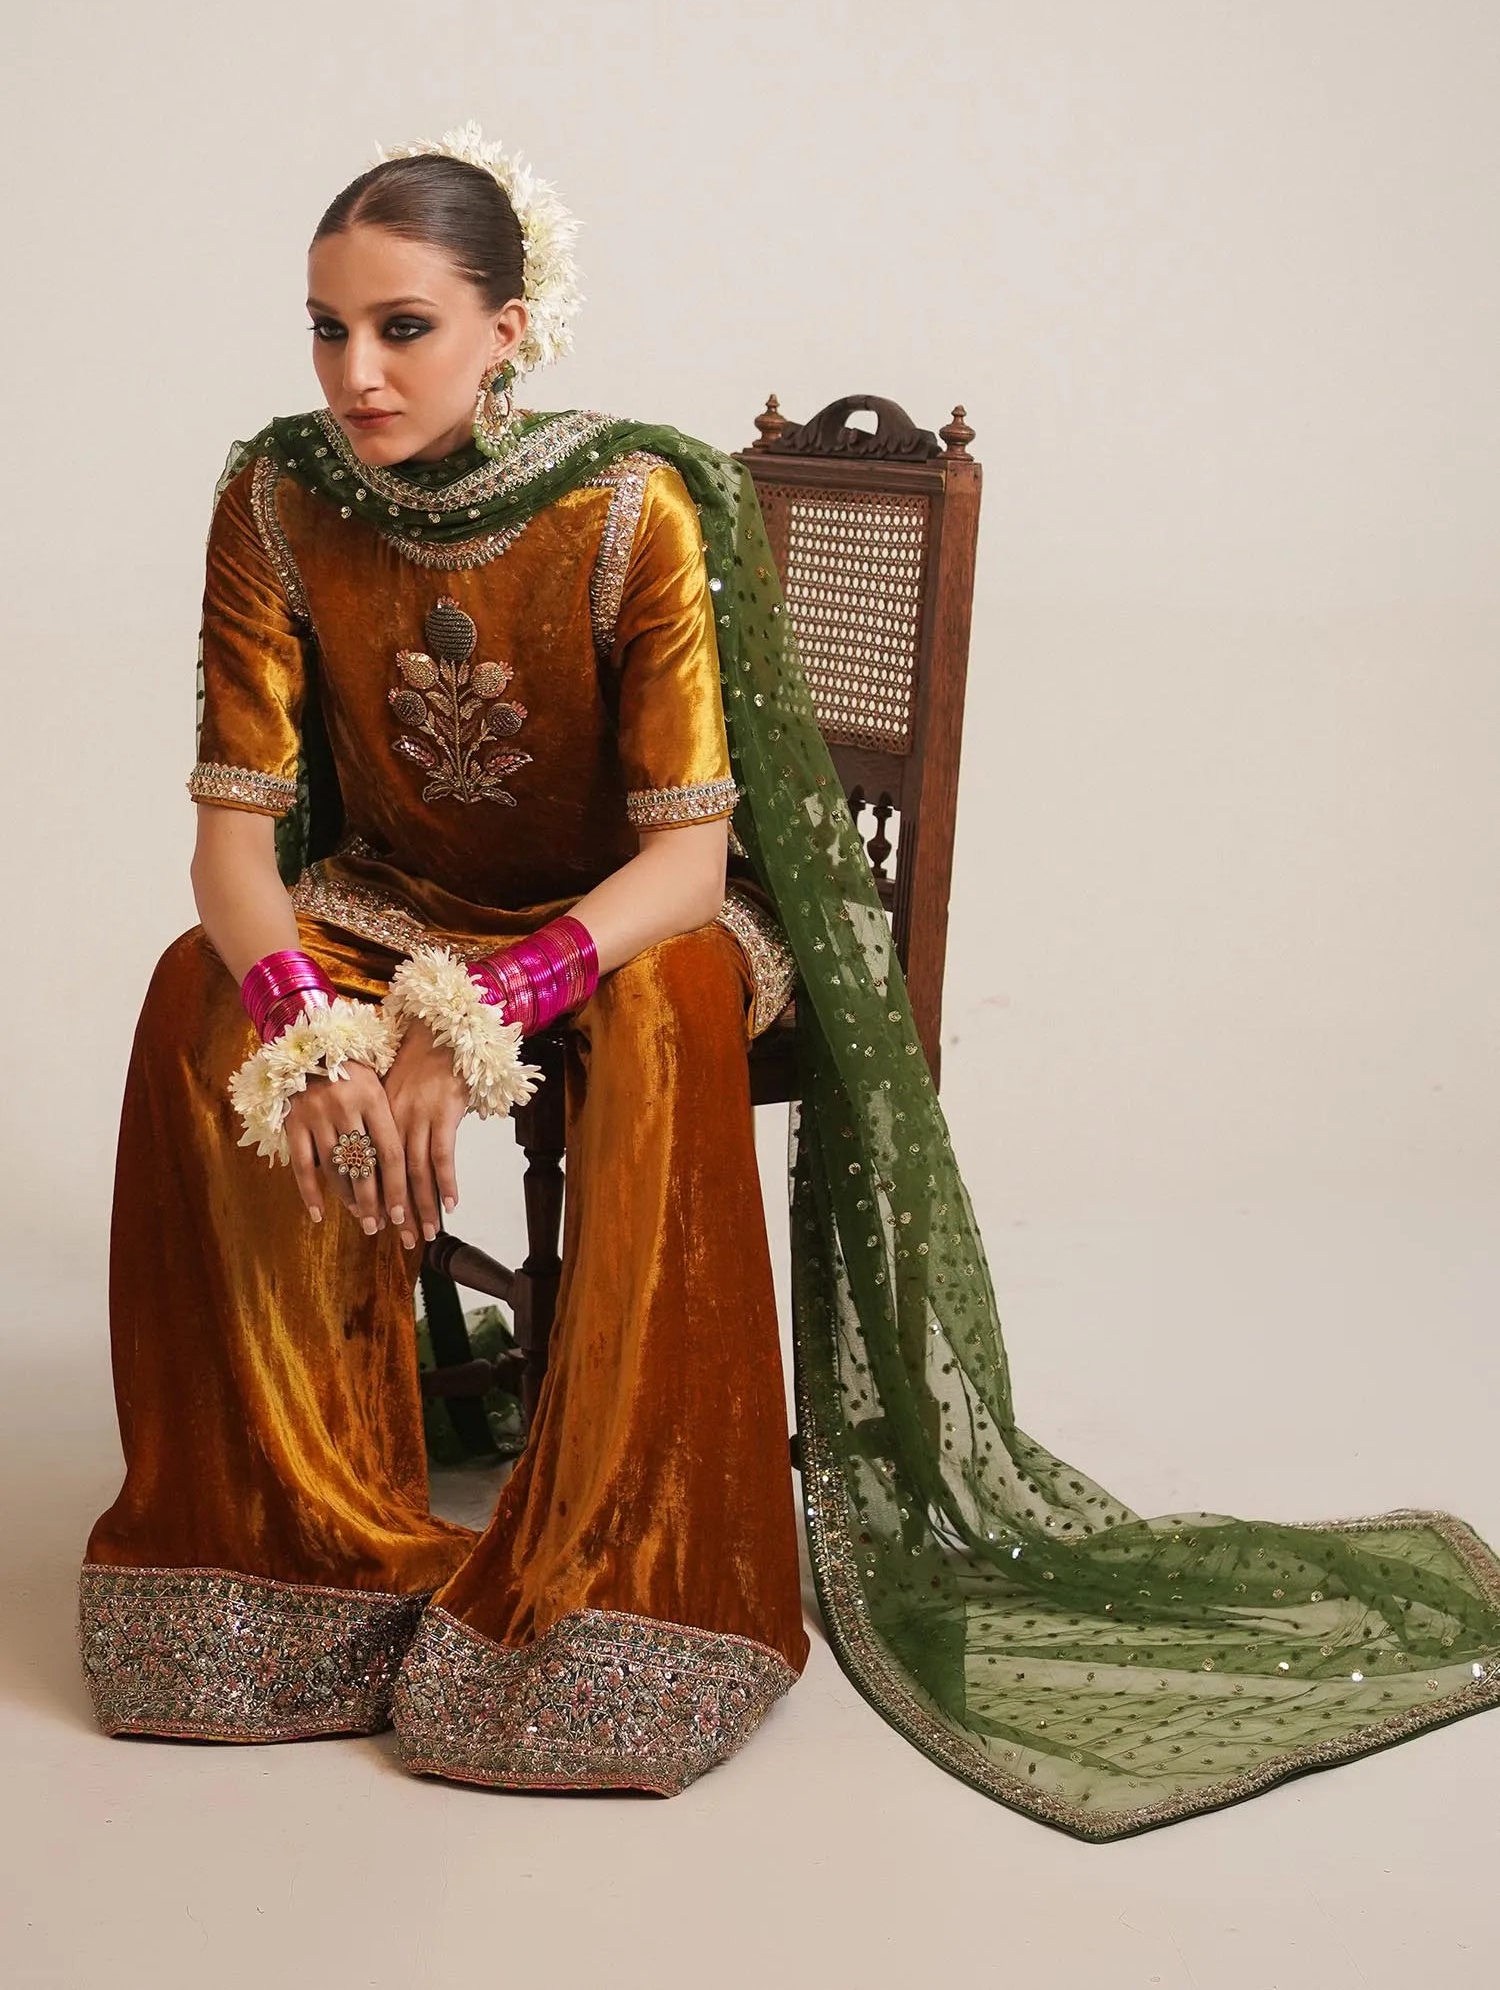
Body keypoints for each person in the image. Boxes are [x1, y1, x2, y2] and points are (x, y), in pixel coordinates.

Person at [77, 122, 1500, 1835]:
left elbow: (687, 861)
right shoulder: (276, 495)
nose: (357, 371)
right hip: (393, 904)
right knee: (197, 987)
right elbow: (235, 843)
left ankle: (633, 1571)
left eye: (404, 327)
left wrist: (473, 1020)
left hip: (633, 921)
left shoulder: (632, 507)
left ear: (508, 329)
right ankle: (288, 1548)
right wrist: (316, 1029)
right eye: (326, 328)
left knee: (661, 1010)